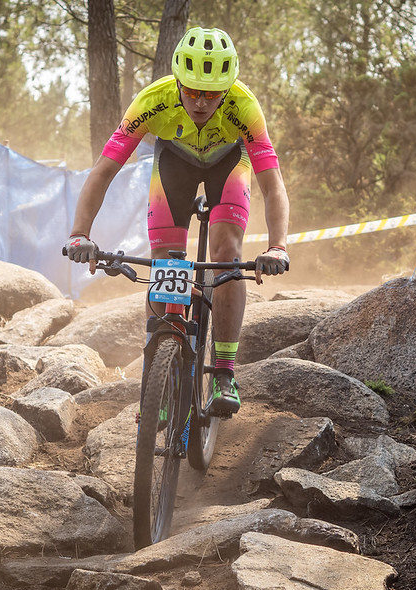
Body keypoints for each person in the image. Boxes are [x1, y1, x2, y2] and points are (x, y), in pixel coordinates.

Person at [64, 26, 290, 416]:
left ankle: (223, 371)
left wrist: (277, 246)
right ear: (178, 82)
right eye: (192, 90)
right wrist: (80, 233)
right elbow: (103, 171)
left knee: (228, 253)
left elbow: (273, 185)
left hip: (228, 162)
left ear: (227, 88)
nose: (201, 101)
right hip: (174, 165)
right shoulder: (153, 101)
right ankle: (159, 373)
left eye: (212, 93)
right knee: (167, 258)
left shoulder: (244, 107)